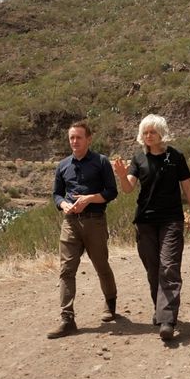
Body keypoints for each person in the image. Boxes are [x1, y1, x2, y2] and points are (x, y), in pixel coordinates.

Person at [112, 114, 190, 341]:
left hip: (172, 219)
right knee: (153, 269)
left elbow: (188, 189)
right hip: (145, 221)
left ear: (162, 133)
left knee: (169, 266)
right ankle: (161, 309)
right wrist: (122, 176)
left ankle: (167, 320)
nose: (149, 136)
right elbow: (129, 189)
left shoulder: (176, 157)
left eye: (153, 132)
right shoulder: (138, 159)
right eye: (145, 132)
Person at [48, 121, 119, 339]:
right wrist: (63, 205)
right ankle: (67, 319)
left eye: (79, 137)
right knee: (66, 270)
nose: (75, 141)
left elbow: (111, 192)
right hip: (70, 222)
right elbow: (57, 195)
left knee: (101, 264)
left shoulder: (101, 162)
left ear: (89, 139)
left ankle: (110, 303)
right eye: (72, 138)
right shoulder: (63, 165)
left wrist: (89, 199)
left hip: (95, 221)